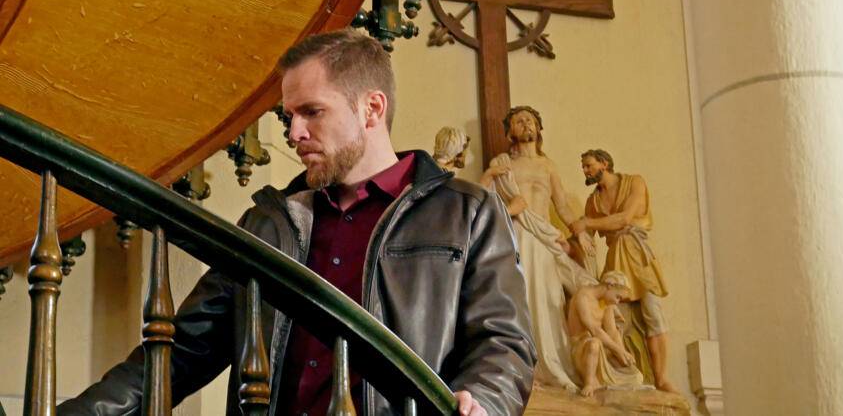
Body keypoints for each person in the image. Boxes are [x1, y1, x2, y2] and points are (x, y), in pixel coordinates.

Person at [59, 29, 536, 415]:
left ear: (372, 108)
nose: (294, 133)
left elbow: (504, 343)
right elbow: (181, 351)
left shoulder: (466, 212)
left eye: (312, 112)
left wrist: (485, 402)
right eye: (289, 116)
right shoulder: (269, 223)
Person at [478, 106, 595, 391]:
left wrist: (578, 231)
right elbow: (485, 201)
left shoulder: (548, 165)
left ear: (539, 128)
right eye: (519, 121)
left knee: (550, 300)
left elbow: (562, 205)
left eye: (530, 121)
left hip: (542, 238)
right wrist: (492, 174)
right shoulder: (502, 163)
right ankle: (521, 369)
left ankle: (550, 366)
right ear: (510, 132)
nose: (526, 124)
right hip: (514, 235)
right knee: (519, 299)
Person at [569, 149, 674, 393]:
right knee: (614, 318)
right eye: (583, 167)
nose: (585, 171)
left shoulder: (634, 182)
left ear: (604, 164)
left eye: (589, 165)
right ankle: (619, 372)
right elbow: (583, 238)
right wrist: (568, 244)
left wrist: (586, 224)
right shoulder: (593, 202)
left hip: (638, 255)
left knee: (653, 312)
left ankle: (661, 378)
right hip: (616, 258)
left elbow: (625, 218)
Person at [567, 271, 643, 397]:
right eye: (618, 297)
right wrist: (618, 350)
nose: (617, 302)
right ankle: (589, 383)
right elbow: (594, 330)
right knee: (594, 344)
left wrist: (623, 355)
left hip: (601, 349)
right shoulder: (583, 296)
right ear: (610, 286)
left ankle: (606, 381)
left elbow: (612, 332)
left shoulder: (606, 303)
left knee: (637, 376)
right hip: (581, 348)